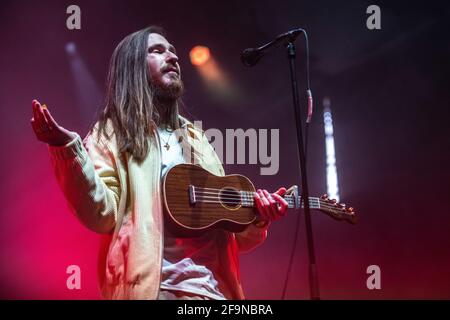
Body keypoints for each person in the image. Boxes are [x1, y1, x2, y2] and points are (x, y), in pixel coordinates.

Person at [30, 26, 289, 300]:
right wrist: (66, 150)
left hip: (216, 294)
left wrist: (259, 219)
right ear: (133, 68)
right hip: (157, 291)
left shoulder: (197, 139)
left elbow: (229, 236)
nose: (173, 57)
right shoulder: (111, 132)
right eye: (157, 50)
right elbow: (101, 214)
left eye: (173, 51)